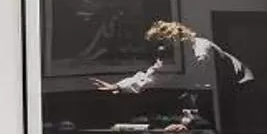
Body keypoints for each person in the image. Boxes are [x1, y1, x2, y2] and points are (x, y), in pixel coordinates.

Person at [92, 19, 254, 95]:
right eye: (157, 45)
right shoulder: (170, 57)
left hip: (243, 86)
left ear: (175, 39)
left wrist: (188, 121)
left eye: (162, 43)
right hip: (221, 90)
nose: (159, 49)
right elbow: (149, 78)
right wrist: (118, 86)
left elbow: (201, 86)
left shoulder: (200, 49)